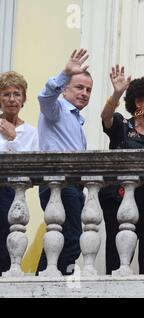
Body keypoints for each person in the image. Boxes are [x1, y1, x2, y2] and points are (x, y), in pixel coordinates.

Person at [99, 65, 144, 274]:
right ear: (139, 102)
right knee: (118, 257)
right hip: (120, 200)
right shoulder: (123, 125)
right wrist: (118, 93)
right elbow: (106, 116)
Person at [36, 49, 92, 275]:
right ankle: (51, 280)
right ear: (65, 88)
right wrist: (64, 73)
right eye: (79, 87)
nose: (85, 93)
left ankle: (43, 276)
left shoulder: (76, 119)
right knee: (72, 237)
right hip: (58, 183)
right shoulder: (56, 109)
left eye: (88, 90)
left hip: (73, 186)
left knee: (59, 236)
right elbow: (45, 96)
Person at [0, 71, 39, 274]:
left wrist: (13, 139)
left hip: (12, 195)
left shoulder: (31, 133)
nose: (12, 99)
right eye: (6, 94)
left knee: (7, 242)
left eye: (17, 94)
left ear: (24, 99)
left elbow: (27, 167)